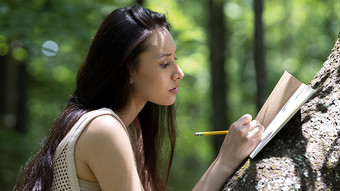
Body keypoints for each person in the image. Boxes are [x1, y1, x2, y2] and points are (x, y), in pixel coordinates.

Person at [14, 5, 263, 191]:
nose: (179, 73)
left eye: (175, 59)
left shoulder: (129, 129)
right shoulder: (103, 128)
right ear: (128, 70)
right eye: (164, 63)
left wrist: (225, 161)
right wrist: (224, 161)